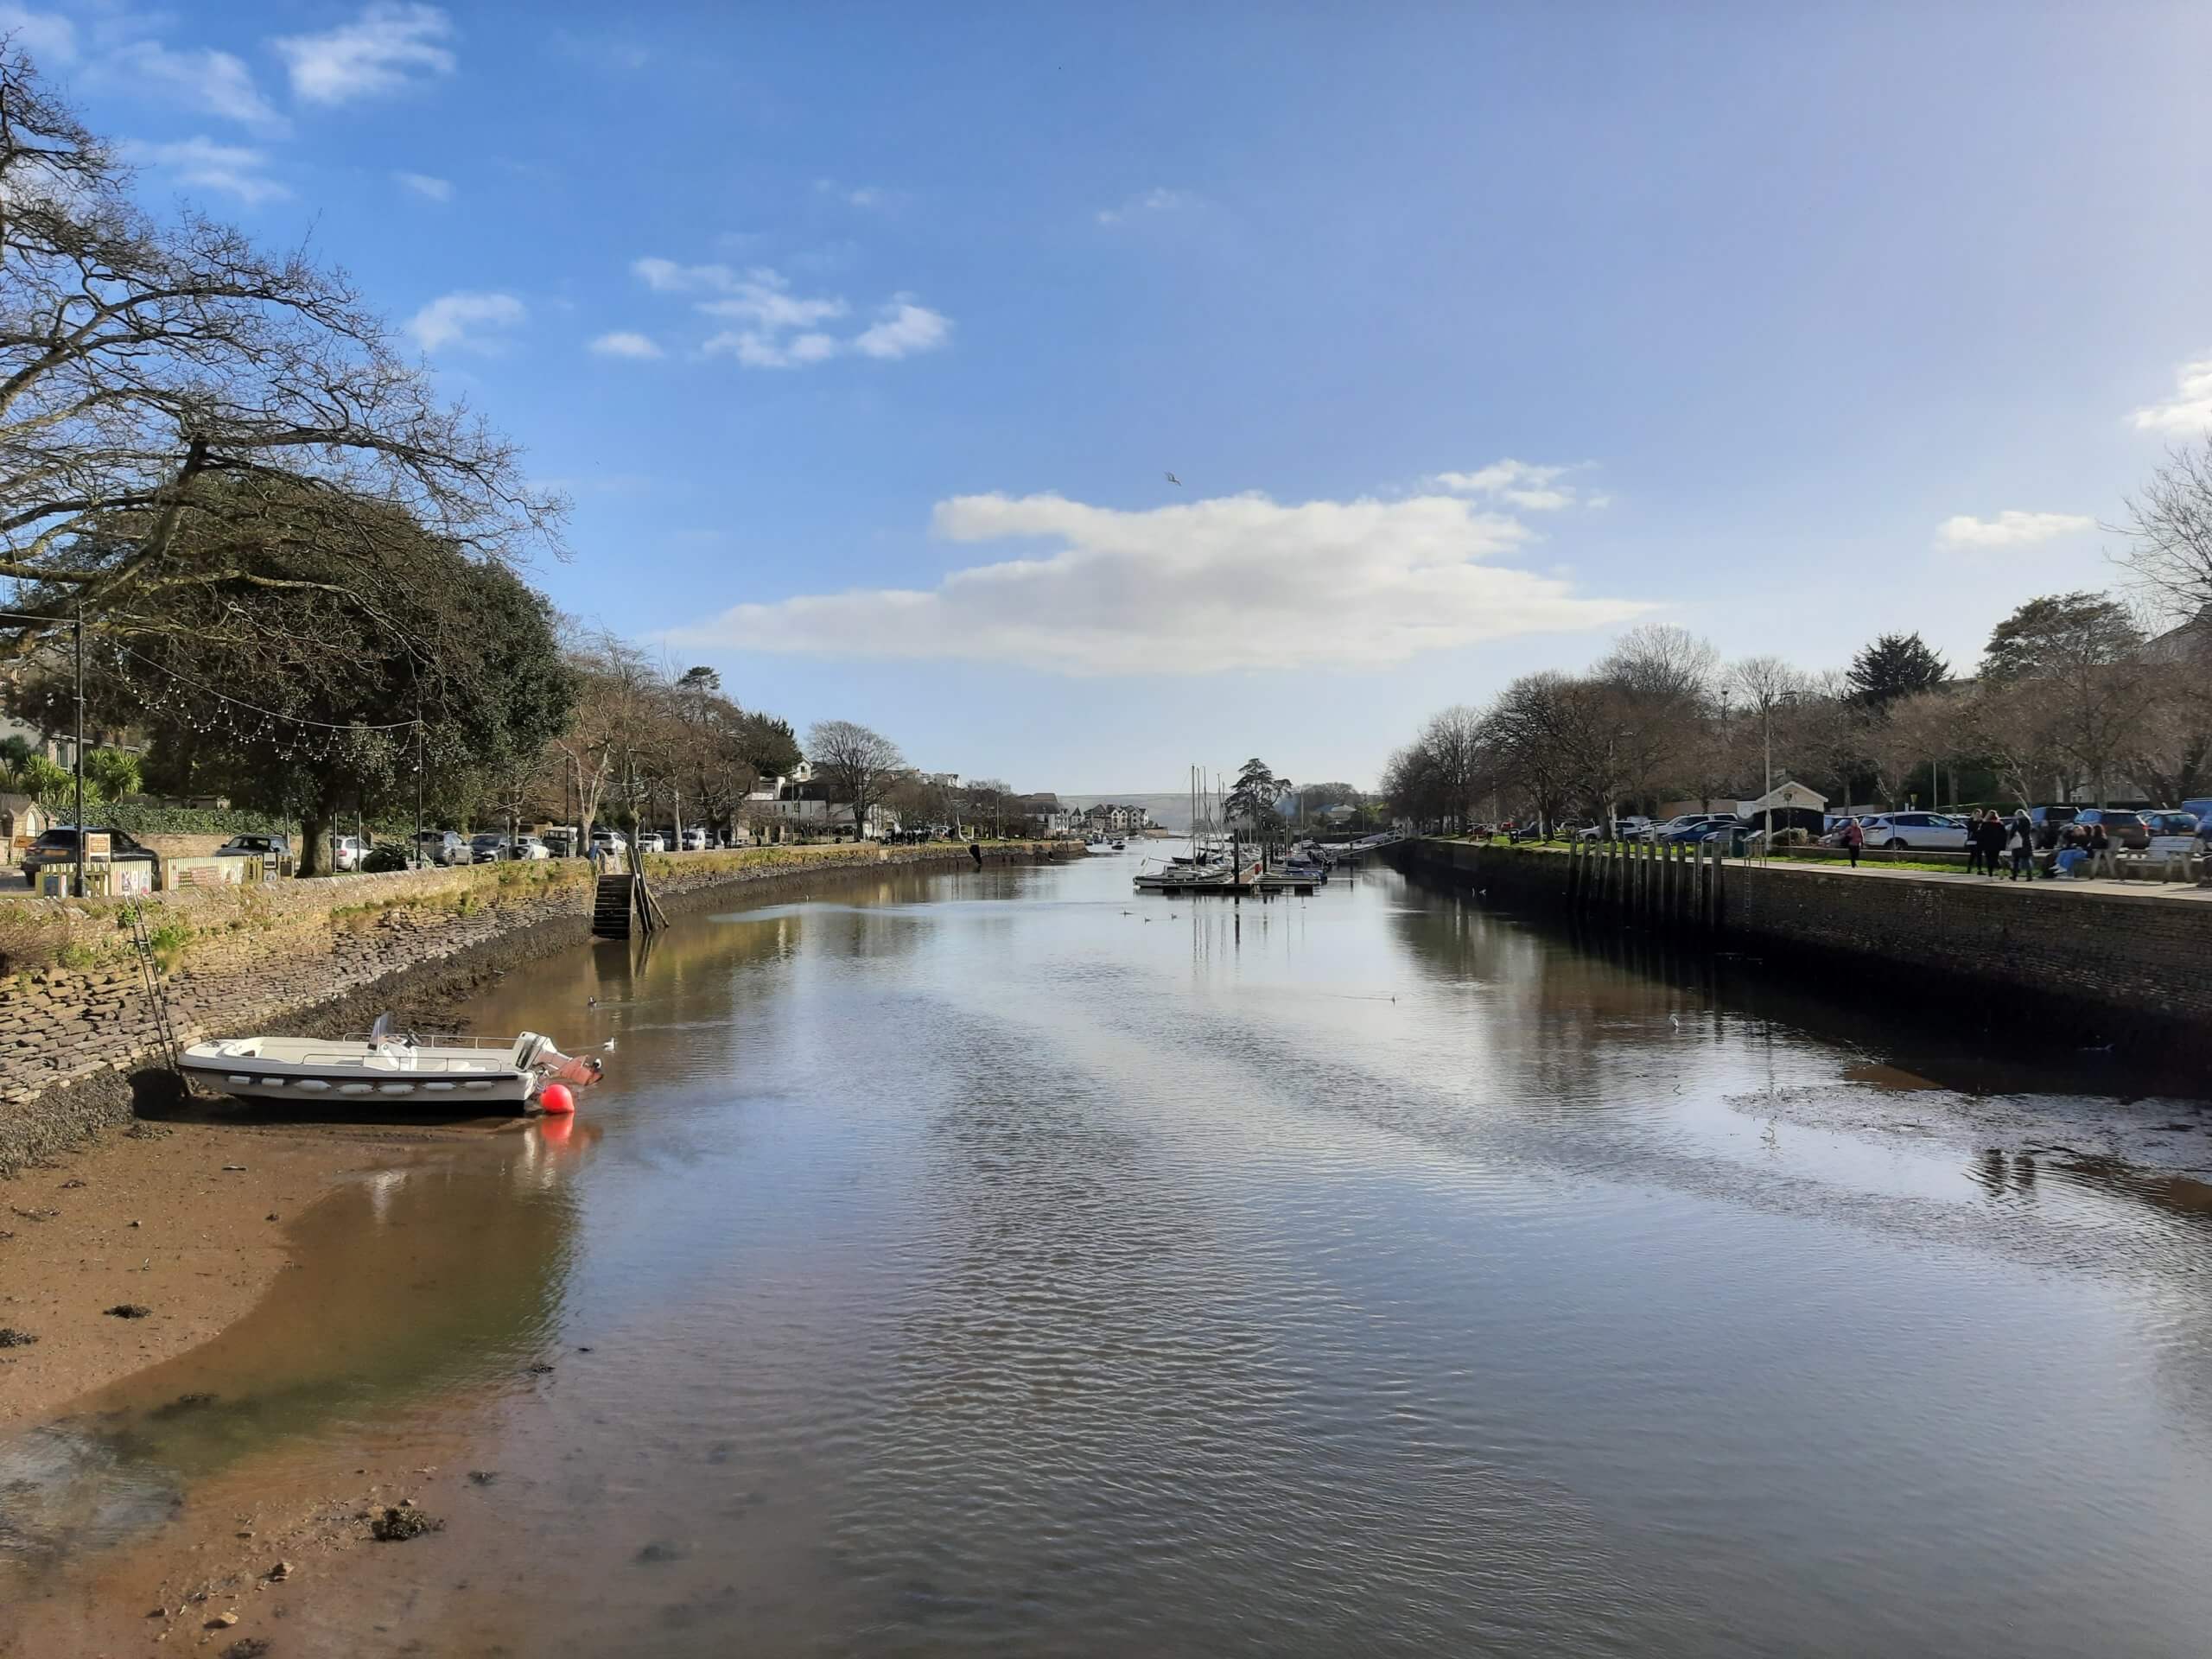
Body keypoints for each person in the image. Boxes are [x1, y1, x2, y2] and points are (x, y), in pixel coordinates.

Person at [1978, 811, 2007, 877]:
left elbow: (1981, 835)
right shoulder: (2000, 825)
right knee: (1995, 858)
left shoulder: (1985, 824)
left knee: (1989, 859)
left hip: (1987, 845)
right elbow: (2004, 836)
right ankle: (1999, 869)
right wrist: (2003, 845)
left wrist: (1980, 845)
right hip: (1997, 845)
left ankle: (1990, 874)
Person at [2009, 808, 2035, 880]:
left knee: (2017, 859)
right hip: (2025, 841)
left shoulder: (2018, 822)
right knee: (2025, 859)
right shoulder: (2028, 821)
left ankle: (2015, 875)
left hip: (2019, 841)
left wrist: (2012, 838)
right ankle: (2029, 876)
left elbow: (2013, 831)